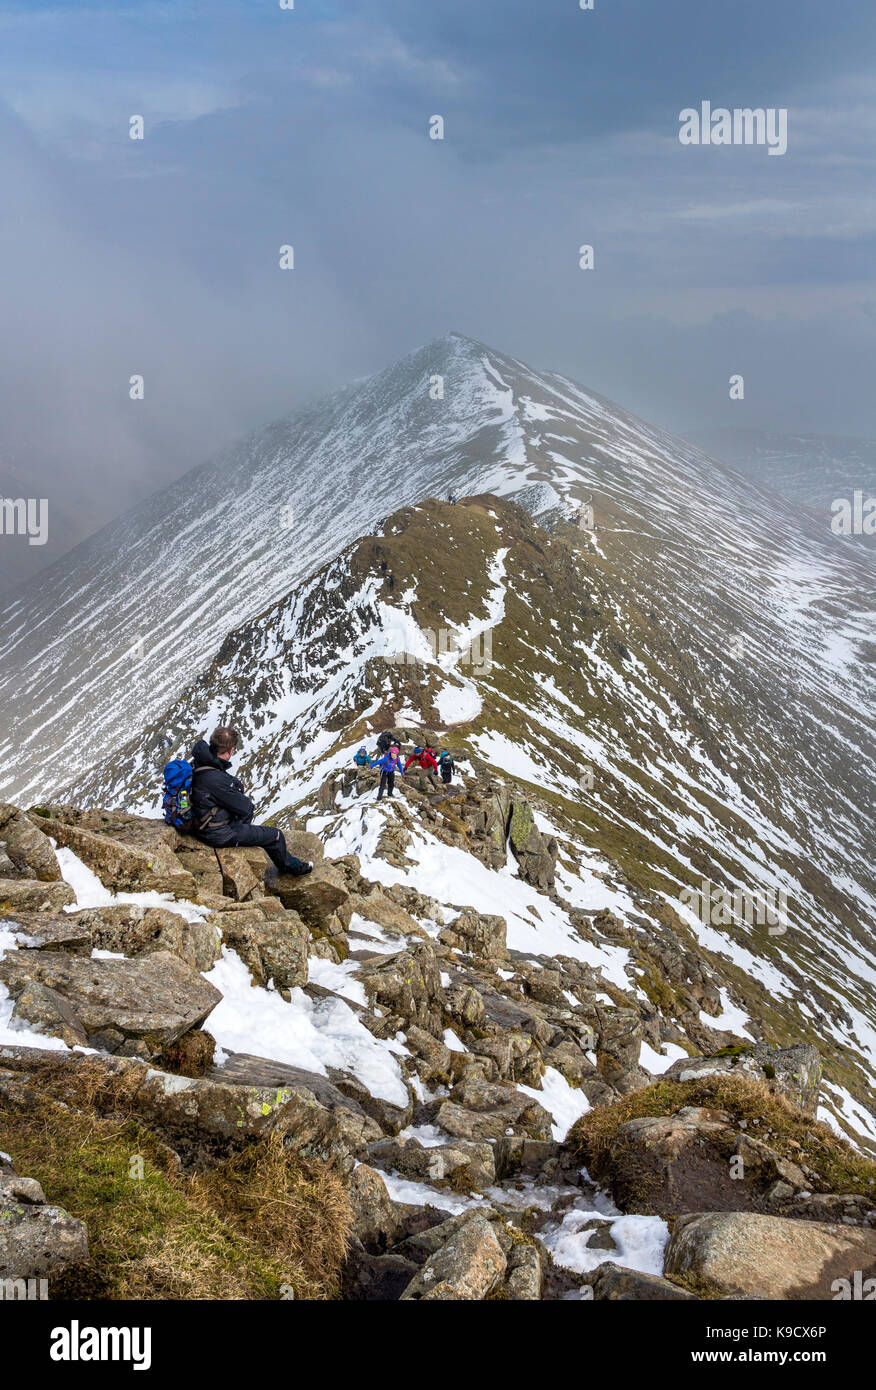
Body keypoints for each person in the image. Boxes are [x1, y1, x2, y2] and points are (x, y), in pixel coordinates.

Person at [189, 726, 312, 877]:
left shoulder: (200, 761)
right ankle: (293, 868)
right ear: (231, 750)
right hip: (217, 833)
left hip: (201, 822)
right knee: (275, 836)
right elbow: (245, 808)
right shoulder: (216, 778)